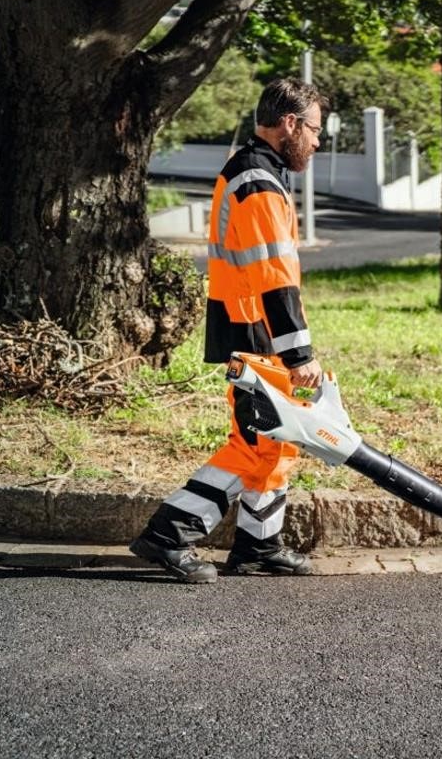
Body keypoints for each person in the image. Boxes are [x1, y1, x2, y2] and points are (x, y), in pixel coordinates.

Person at [130, 77, 327, 583]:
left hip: (251, 327)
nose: (317, 141)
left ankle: (259, 546)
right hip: (255, 331)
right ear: (290, 124)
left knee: (275, 441)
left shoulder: (259, 171)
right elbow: (273, 274)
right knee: (254, 445)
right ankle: (168, 534)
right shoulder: (257, 179)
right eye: (315, 129)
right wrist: (299, 353)